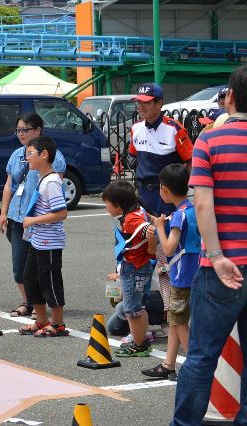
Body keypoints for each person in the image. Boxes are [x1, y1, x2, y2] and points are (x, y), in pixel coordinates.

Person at [172, 66, 247, 425]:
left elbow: (201, 203)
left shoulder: (209, 141)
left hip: (221, 267)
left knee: (202, 356)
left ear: (229, 97)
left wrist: (217, 256)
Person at [0, 112, 66, 319]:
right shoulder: (16, 154)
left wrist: (36, 219)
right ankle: (29, 303)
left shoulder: (53, 157)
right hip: (17, 218)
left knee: (43, 269)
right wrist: (3, 213)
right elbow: (9, 185)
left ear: (38, 130)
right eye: (17, 130)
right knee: (21, 268)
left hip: (38, 221)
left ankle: (45, 310)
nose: (20, 134)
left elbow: (57, 195)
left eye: (24, 130)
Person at [143, 164, 200, 380]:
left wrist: (158, 227)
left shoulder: (178, 216)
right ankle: (168, 364)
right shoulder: (193, 210)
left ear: (164, 189)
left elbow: (167, 249)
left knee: (178, 321)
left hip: (181, 275)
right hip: (195, 271)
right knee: (176, 320)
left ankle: (194, 366)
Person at [16, 137, 69, 337]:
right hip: (37, 240)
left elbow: (61, 213)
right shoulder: (42, 179)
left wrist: (33, 221)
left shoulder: (52, 182)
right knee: (30, 279)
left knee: (50, 282)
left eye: (30, 154)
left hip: (49, 242)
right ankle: (41, 320)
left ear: (44, 154)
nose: (27, 158)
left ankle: (58, 323)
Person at [101, 180, 157, 356]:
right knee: (139, 307)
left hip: (134, 268)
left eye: (107, 204)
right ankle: (142, 338)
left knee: (132, 309)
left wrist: (151, 247)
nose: (106, 208)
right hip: (141, 266)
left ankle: (138, 344)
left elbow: (150, 230)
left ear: (118, 206)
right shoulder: (136, 212)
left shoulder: (133, 219)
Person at [130, 82, 194, 217]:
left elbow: (191, 160)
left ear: (159, 103)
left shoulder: (174, 129)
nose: (140, 107)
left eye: (146, 103)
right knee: (146, 235)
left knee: (170, 235)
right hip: (143, 194)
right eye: (138, 102)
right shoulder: (136, 128)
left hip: (168, 194)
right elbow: (134, 157)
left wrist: (181, 190)